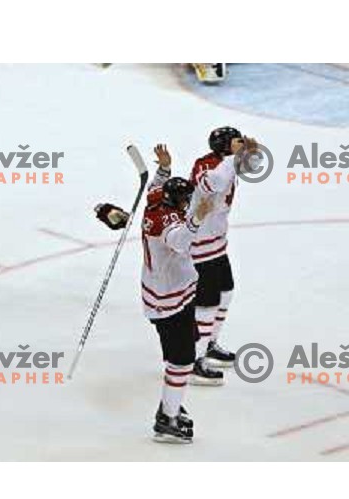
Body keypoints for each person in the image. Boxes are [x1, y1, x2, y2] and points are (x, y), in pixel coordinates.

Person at [96, 146, 213, 443]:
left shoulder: (155, 201)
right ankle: (167, 418)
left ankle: (171, 402)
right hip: (169, 300)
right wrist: (197, 219)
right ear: (176, 202)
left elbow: (156, 185)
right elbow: (182, 242)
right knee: (182, 360)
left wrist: (164, 167)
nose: (190, 203)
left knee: (185, 349)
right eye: (186, 200)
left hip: (169, 294)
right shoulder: (170, 224)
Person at [189, 128, 255, 383]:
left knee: (226, 291)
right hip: (198, 245)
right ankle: (195, 359)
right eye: (237, 141)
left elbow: (255, 163)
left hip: (217, 243)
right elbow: (214, 183)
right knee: (206, 303)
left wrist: (250, 150)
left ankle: (209, 343)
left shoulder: (229, 162)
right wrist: (234, 157)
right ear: (225, 147)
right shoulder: (205, 165)